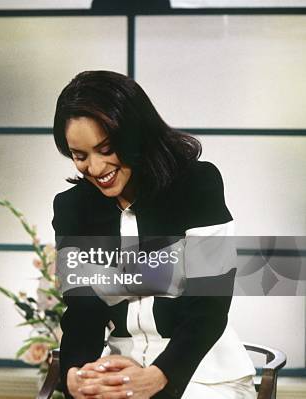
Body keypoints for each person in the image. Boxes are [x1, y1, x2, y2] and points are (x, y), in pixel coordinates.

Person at [52, 71, 255, 398]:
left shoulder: (198, 184)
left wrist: (159, 376)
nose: (96, 167)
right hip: (119, 370)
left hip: (201, 372)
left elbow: (209, 306)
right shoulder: (72, 208)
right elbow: (83, 312)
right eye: (80, 156)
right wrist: (76, 377)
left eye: (106, 149)